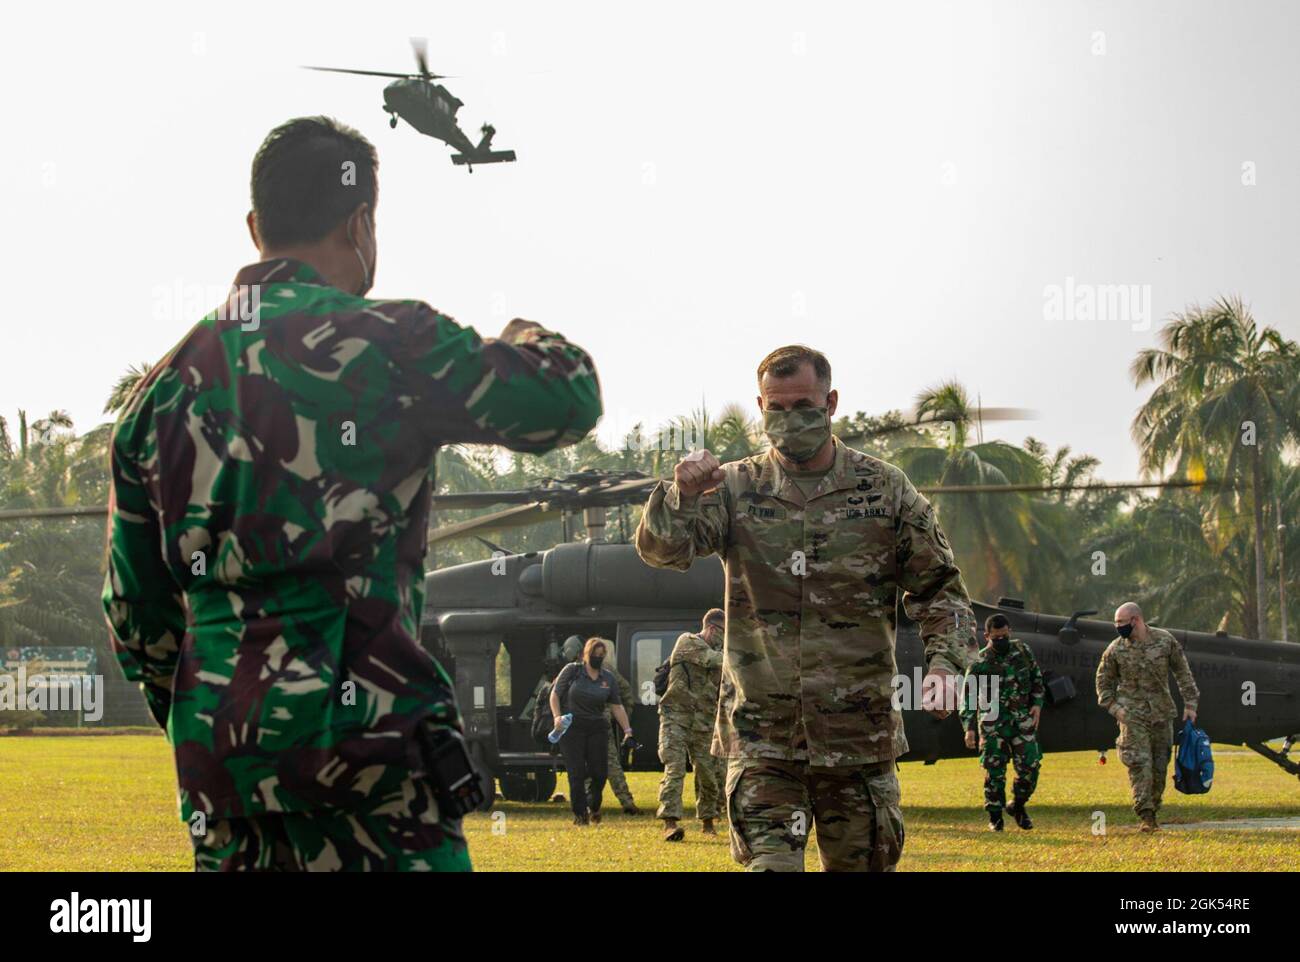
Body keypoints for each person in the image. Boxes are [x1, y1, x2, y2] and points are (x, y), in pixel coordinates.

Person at [101, 116, 603, 871]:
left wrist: (222, 710)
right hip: (375, 767)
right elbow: (568, 398)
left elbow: (136, 617)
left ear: (254, 227)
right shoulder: (392, 342)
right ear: (362, 219)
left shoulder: (158, 394)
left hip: (230, 780)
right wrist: (526, 333)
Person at [635, 344, 975, 871]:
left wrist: (946, 663)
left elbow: (940, 589)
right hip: (762, 741)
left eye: (803, 406)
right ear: (760, 406)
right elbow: (663, 552)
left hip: (858, 742)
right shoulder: (733, 488)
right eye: (777, 408)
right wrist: (680, 495)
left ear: (831, 401)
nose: (789, 419)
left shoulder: (884, 489)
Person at [1095, 602, 1200, 832]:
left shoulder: (1165, 640)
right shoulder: (1115, 649)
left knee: (1160, 765)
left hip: (1162, 713)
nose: (1117, 627)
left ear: (1135, 620)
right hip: (1132, 716)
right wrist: (1115, 709)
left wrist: (1190, 703)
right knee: (1140, 764)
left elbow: (1182, 671)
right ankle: (1146, 815)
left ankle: (1154, 808)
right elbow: (1103, 682)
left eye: (1121, 622)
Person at [960, 614, 1045, 831]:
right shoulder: (978, 663)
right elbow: (968, 699)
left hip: (1021, 720)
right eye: (996, 637)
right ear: (987, 636)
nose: (1002, 640)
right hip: (992, 724)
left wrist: (1036, 703)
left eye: (1005, 636)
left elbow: (1037, 679)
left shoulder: (1023, 652)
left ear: (1010, 632)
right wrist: (969, 728)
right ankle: (995, 817)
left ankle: (1017, 805)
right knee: (994, 771)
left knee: (1030, 766)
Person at [549, 638, 635, 825]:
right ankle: (580, 815)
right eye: (595, 655)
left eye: (601, 656)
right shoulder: (572, 671)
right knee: (577, 773)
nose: (598, 658)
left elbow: (616, 706)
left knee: (599, 773)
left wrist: (627, 730)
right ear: (586, 655)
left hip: (597, 727)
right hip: (572, 727)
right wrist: (557, 717)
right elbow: (554, 694)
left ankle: (593, 804)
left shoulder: (608, 678)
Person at [657, 609, 725, 842]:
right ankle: (670, 823)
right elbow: (713, 660)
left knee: (708, 772)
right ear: (712, 629)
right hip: (676, 716)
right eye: (724, 634)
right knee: (674, 769)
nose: (725, 640)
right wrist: (740, 652)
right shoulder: (688, 641)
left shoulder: (719, 650)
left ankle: (708, 822)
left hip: (703, 721)